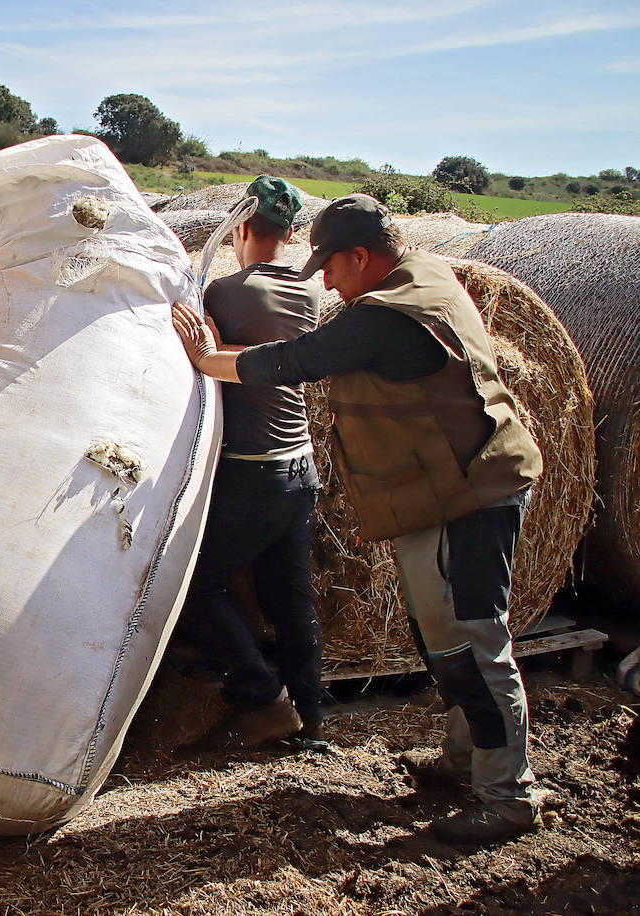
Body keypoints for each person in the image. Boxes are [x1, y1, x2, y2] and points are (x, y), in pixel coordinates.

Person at [171, 193, 544, 847]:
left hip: (468, 495)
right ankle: (466, 761)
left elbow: (295, 362)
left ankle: (507, 795)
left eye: (333, 267)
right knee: (445, 640)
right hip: (461, 483)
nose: (327, 282)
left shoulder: (386, 315)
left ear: (363, 256)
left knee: (472, 643)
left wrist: (208, 360)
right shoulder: (427, 274)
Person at [173, 176, 325, 748]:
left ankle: (262, 698)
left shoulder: (227, 294)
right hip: (301, 468)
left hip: (253, 470)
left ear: (240, 228)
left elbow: (201, 352)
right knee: (290, 598)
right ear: (292, 233)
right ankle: (312, 718)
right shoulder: (313, 296)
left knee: (196, 587)